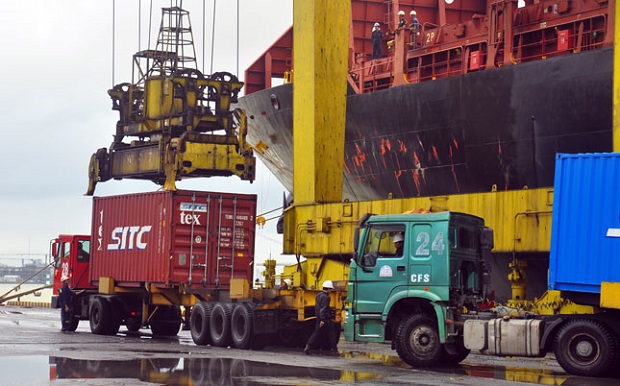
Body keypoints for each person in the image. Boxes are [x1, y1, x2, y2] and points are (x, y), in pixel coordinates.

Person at [303, 280, 338, 356]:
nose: (331, 290)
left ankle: (308, 346)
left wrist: (319, 318)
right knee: (331, 334)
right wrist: (323, 319)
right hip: (325, 319)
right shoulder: (326, 297)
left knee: (316, 333)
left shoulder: (318, 295)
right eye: (331, 289)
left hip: (319, 318)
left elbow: (317, 307)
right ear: (328, 289)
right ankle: (335, 350)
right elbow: (323, 308)